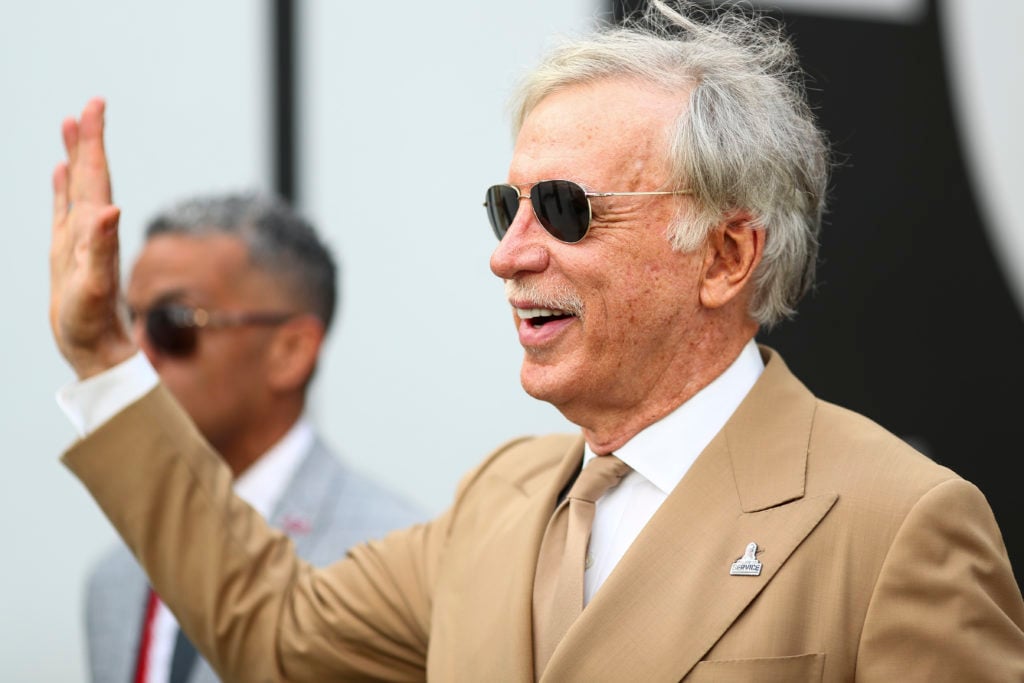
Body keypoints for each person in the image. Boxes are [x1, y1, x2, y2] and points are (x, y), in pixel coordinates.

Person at [49, 1, 1024, 681]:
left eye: (563, 209)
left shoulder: (897, 523)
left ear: (726, 253)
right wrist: (101, 353)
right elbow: (266, 630)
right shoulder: (498, 499)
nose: (509, 256)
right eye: (502, 206)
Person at [78, 193, 427, 683]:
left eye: (172, 324)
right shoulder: (115, 580)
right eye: (128, 321)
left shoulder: (395, 561)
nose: (136, 354)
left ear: (291, 351)